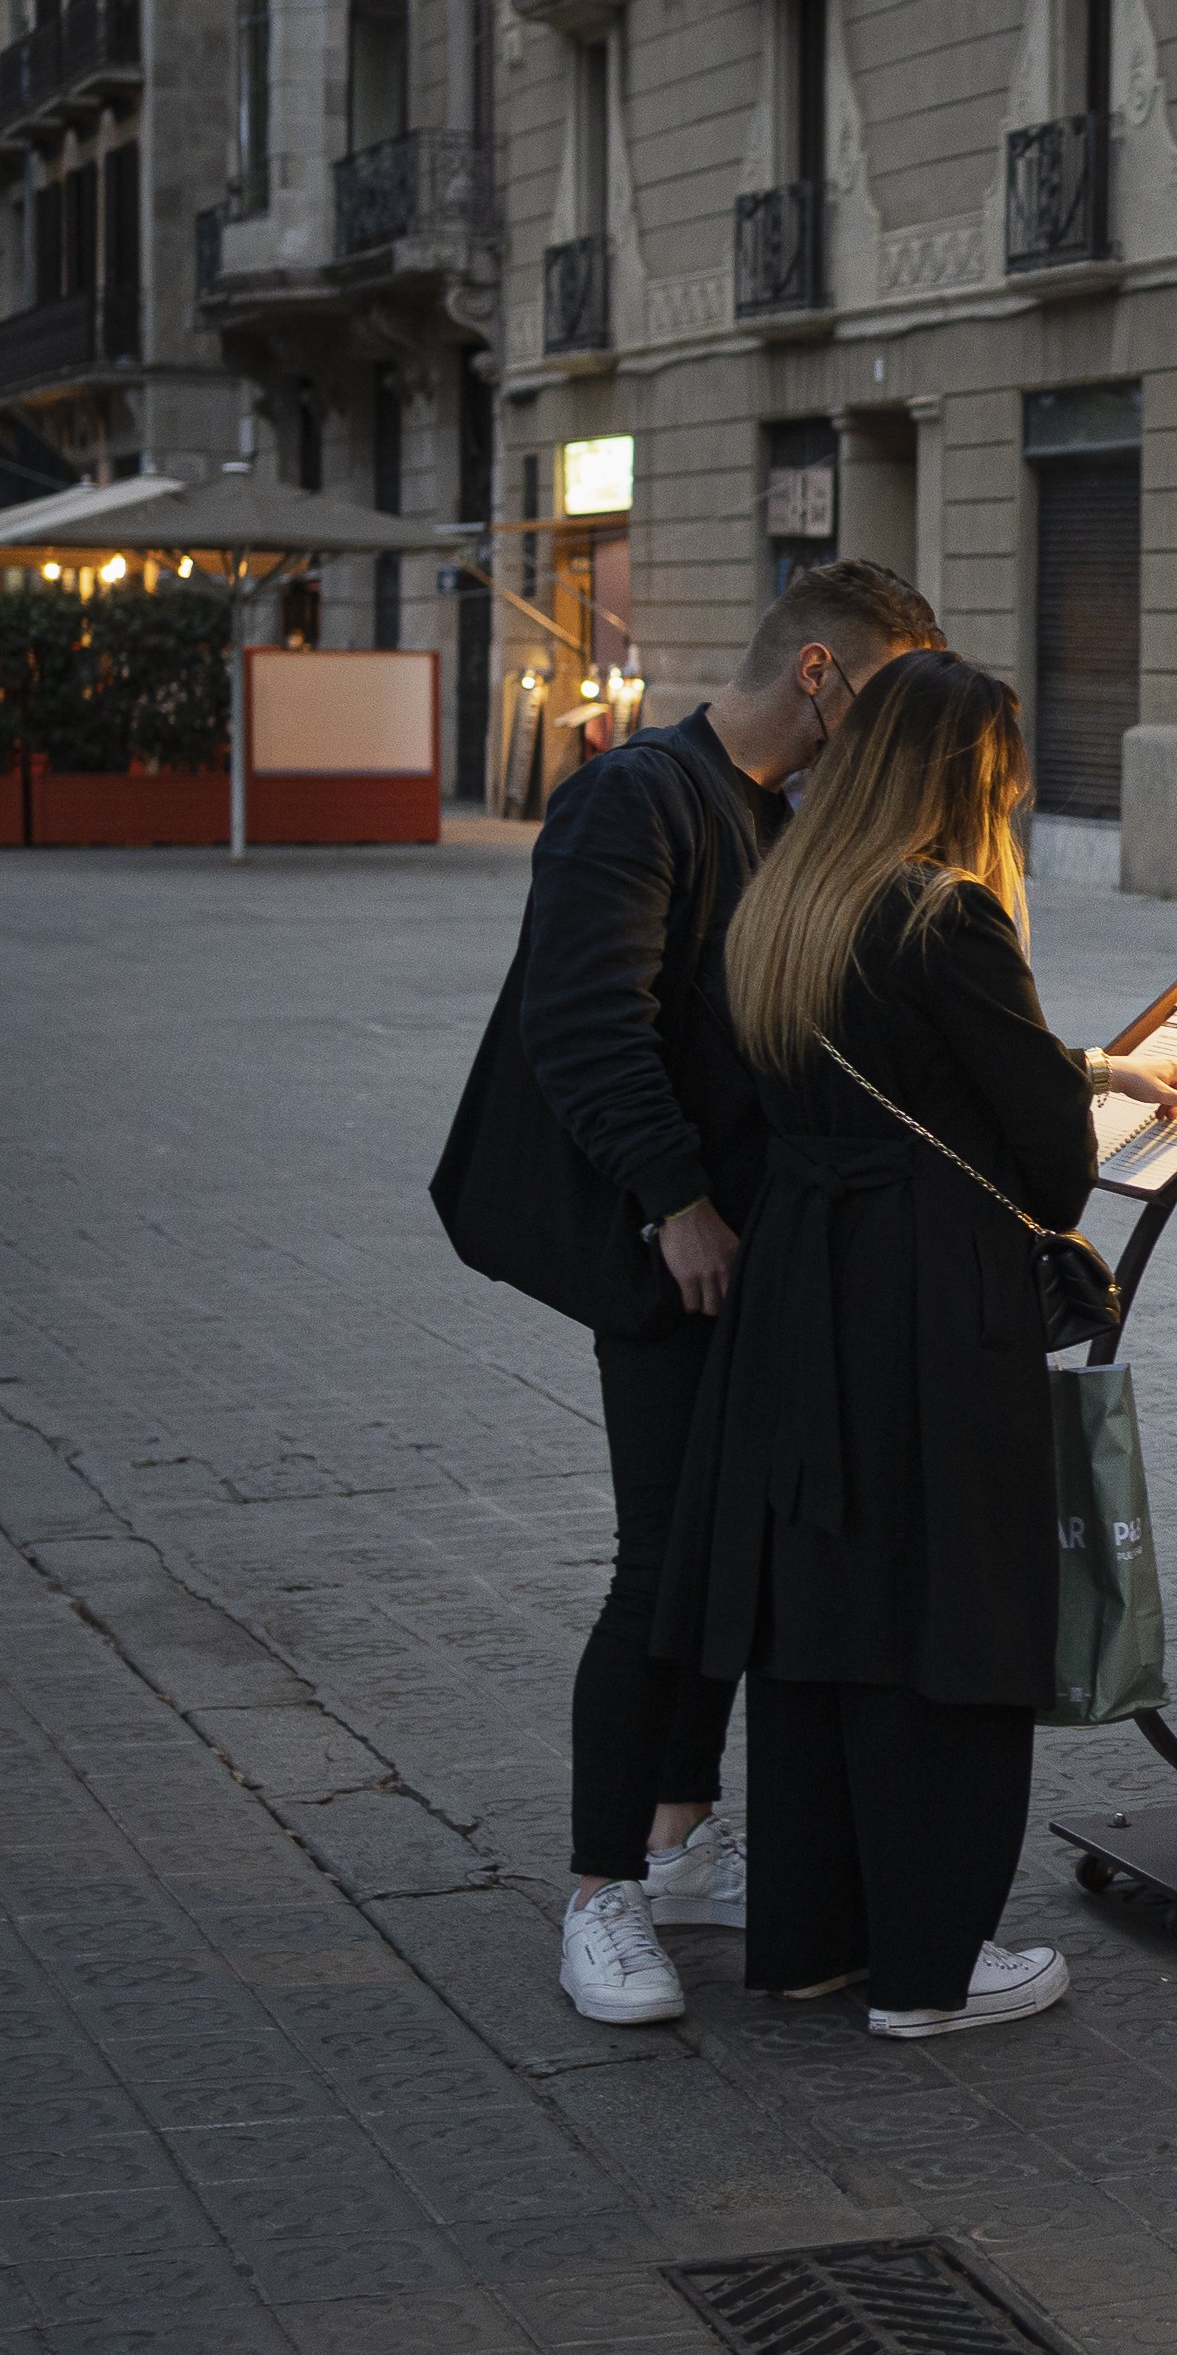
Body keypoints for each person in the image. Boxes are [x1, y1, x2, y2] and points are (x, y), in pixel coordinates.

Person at [657, 649, 1177, 2037]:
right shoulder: (945, 911)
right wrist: (1069, 1093)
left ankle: (812, 1941)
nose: (1017, 793)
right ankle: (933, 1965)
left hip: (801, 1288)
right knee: (953, 1615)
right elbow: (1041, 1156)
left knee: (824, 1618)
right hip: (923, 1304)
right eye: (1004, 767)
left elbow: (899, 1056)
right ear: (964, 771)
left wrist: (1083, 1060)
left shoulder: (786, 897)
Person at [429, 560, 944, 2030]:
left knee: (729, 1565)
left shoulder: (777, 814)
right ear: (827, 676)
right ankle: (598, 1895)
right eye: (891, 693)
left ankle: (675, 1843)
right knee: (660, 1567)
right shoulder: (637, 796)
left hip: (745, 1252)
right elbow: (582, 1017)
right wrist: (676, 1204)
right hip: (670, 1253)